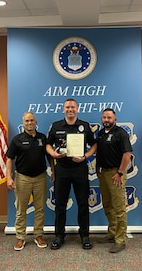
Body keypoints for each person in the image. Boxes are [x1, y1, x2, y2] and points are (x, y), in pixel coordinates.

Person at [46, 98, 97, 250]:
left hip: (80, 169)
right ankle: (59, 236)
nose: (70, 109)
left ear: (77, 109)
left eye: (72, 107)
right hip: (61, 169)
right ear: (63, 109)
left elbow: (94, 145)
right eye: (67, 107)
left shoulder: (85, 126)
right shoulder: (56, 126)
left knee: (83, 204)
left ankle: (85, 236)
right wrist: (53, 155)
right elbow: (48, 144)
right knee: (60, 205)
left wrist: (86, 156)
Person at [6, 112, 53, 251]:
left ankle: (38, 235)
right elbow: (9, 159)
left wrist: (53, 170)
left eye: (32, 120)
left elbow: (49, 156)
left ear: (36, 122)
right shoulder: (17, 140)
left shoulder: (42, 138)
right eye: (27, 121)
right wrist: (9, 177)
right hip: (22, 178)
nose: (29, 123)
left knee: (40, 209)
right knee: (21, 209)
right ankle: (20, 237)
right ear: (23, 122)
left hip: (40, 178)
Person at [96, 108, 132, 253]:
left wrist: (120, 172)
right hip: (104, 173)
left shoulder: (121, 133)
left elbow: (127, 153)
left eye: (109, 117)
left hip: (116, 173)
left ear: (115, 119)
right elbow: (99, 152)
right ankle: (112, 233)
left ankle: (120, 239)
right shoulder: (100, 134)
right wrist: (98, 167)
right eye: (104, 117)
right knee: (107, 205)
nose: (106, 120)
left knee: (119, 208)